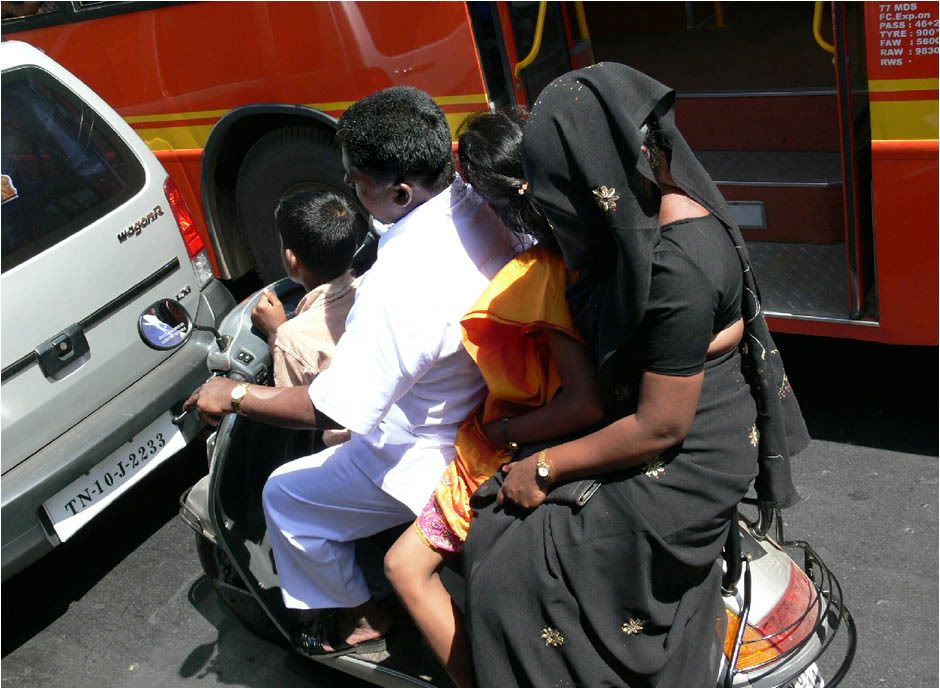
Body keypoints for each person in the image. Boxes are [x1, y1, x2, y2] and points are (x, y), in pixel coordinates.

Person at [461, 63, 810, 687]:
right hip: (663, 430)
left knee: (510, 580)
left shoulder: (677, 264)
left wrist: (543, 468)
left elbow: (659, 427)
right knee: (495, 522)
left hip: (684, 462)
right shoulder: (661, 208)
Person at [183, 86, 518, 656]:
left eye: (358, 183)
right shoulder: (482, 206)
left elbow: (331, 406)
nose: (356, 193)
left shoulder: (400, 280)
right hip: (491, 406)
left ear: (401, 190)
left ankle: (364, 617)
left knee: (287, 496)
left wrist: (235, 392)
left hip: (432, 452)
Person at [383, 110, 604, 687]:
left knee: (404, 567)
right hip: (545, 430)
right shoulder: (585, 238)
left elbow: (583, 403)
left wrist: (500, 436)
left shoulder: (540, 271)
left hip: (527, 438)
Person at [249, 190, 361, 446]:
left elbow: (291, 413)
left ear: (291, 259)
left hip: (348, 449)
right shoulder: (372, 287)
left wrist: (277, 332)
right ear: (354, 247)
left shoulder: (294, 337)